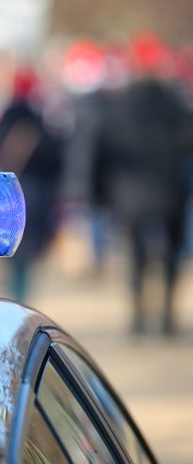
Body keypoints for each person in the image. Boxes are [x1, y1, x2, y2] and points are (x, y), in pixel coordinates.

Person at [93, 67, 190, 335]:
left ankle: (137, 315)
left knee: (135, 252)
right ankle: (168, 315)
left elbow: (100, 154)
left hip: (129, 195)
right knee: (172, 253)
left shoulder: (118, 112)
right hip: (170, 192)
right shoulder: (175, 109)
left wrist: (98, 195)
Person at [0, 67, 63, 303]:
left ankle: (14, 294)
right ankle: (22, 295)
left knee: (10, 250)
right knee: (27, 252)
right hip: (35, 195)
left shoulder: (3, 120)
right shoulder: (40, 123)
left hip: (6, 194)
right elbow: (55, 159)